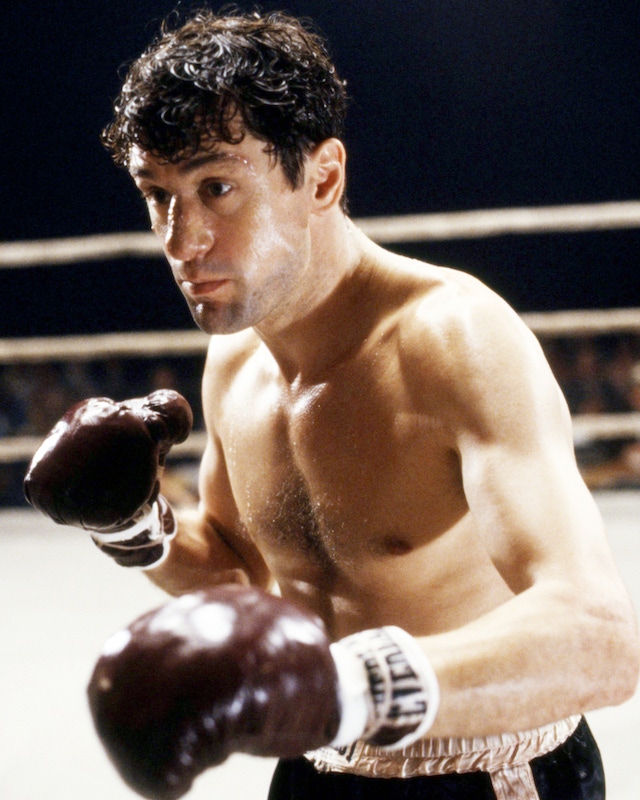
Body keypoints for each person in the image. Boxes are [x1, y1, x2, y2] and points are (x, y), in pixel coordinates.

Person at [24, 9, 639, 800]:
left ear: (322, 179)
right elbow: (240, 580)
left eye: (217, 188)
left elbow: (599, 641)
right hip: (319, 759)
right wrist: (137, 527)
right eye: (159, 194)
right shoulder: (236, 357)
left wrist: (329, 686)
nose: (182, 242)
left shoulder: (453, 339)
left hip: (483, 765)